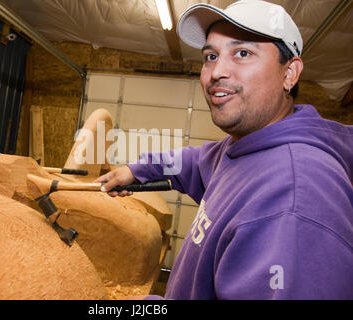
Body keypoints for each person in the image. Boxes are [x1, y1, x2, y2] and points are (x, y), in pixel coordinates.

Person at [95, 0, 353, 299]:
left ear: (290, 73)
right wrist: (135, 170)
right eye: (210, 56)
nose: (217, 71)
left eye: (243, 53)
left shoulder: (293, 201)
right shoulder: (248, 146)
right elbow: (193, 161)